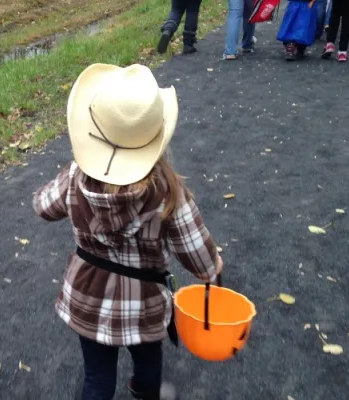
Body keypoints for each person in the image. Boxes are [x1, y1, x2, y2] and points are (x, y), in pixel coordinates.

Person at [33, 63, 223, 400]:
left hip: (87, 295)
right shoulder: (169, 190)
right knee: (149, 358)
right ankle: (144, 391)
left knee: (97, 376)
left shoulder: (76, 176)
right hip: (145, 300)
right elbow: (194, 247)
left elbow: (43, 207)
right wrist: (212, 267)